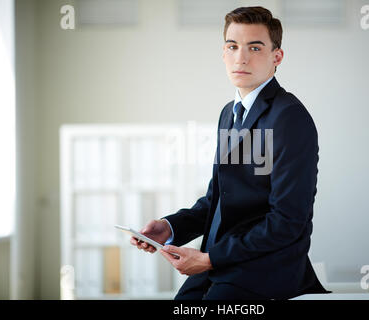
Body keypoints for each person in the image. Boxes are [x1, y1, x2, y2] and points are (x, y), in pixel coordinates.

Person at [130, 6, 329, 300]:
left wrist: (210, 258)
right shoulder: (230, 113)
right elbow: (217, 200)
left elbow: (288, 221)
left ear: (277, 57)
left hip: (265, 267)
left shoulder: (289, 117)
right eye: (232, 46)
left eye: (255, 47)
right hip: (225, 261)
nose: (241, 57)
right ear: (223, 53)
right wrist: (169, 227)